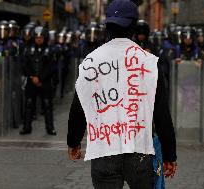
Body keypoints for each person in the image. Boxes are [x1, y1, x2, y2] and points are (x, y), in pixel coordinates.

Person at [67, 0, 177, 189]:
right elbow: (161, 114)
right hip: (139, 151)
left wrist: (74, 141)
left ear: (107, 25)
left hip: (104, 151)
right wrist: (169, 155)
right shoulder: (148, 62)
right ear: (134, 26)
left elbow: (79, 107)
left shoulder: (90, 62)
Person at [20, 26, 57, 135]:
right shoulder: (28, 49)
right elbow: (25, 65)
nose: (39, 39)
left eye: (41, 37)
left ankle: (50, 128)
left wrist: (40, 78)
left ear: (45, 38)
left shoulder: (50, 50)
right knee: (28, 104)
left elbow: (51, 67)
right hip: (31, 81)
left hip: (44, 82)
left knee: (47, 105)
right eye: (37, 37)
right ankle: (26, 127)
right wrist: (32, 77)